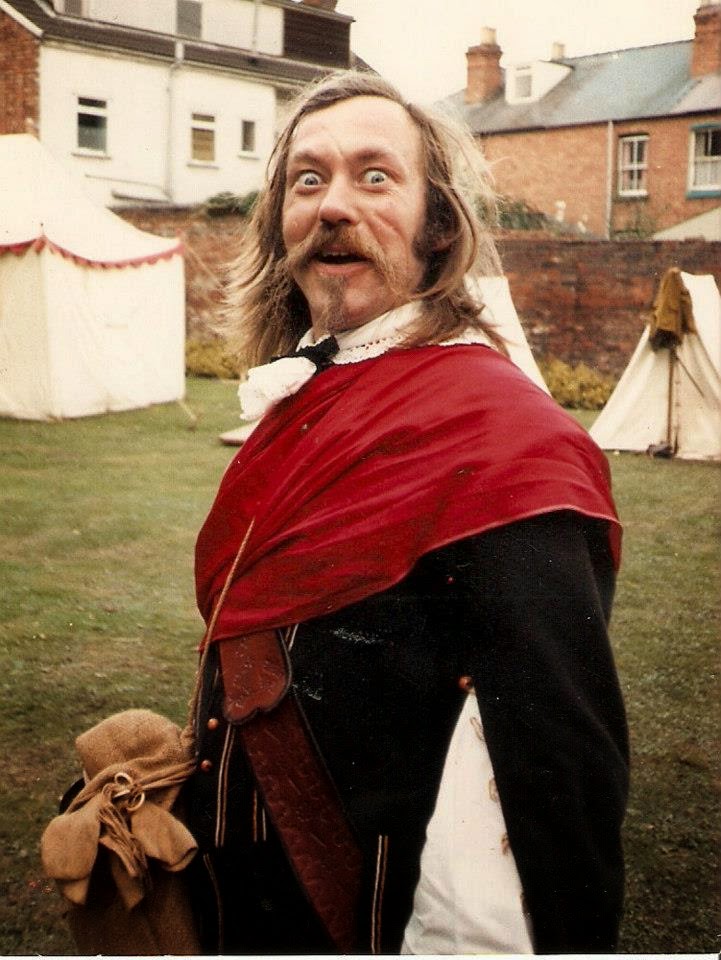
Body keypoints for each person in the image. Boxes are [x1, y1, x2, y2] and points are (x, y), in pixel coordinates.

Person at [187, 71, 629, 956]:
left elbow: (551, 780)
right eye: (307, 180)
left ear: (438, 226)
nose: (332, 206)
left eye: (374, 176)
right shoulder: (312, 394)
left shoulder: (511, 444)